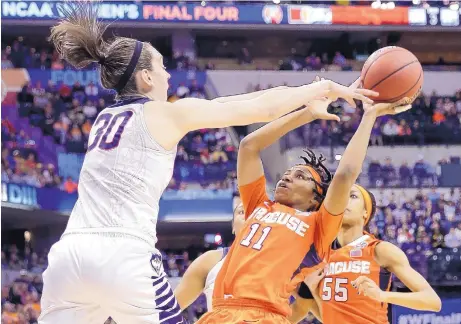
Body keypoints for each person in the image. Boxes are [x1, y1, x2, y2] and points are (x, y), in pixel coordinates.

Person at [39, 3, 376, 324]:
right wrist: (323, 87)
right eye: (162, 67)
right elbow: (260, 107)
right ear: (146, 79)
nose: (169, 76)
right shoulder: (165, 113)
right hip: (123, 254)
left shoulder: (102, 118)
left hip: (68, 257)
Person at [196, 79, 409, 323]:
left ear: (316, 196)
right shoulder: (259, 205)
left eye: (301, 176)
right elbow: (249, 146)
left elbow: (346, 173)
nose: (287, 176)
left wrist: (369, 116)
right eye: (288, 172)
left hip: (264, 315)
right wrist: (308, 112)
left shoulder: (318, 226)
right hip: (220, 313)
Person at [289, 122, 442, 324]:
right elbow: (333, 318)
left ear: (365, 213)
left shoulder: (380, 250)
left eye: (352, 196)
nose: (343, 201)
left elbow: (432, 301)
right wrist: (316, 292)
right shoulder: (321, 254)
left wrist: (383, 296)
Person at [174, 203, 245, 312]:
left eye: (256, 212)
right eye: (242, 212)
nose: (249, 216)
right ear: (233, 226)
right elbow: (167, 313)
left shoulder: (279, 262)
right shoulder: (211, 261)